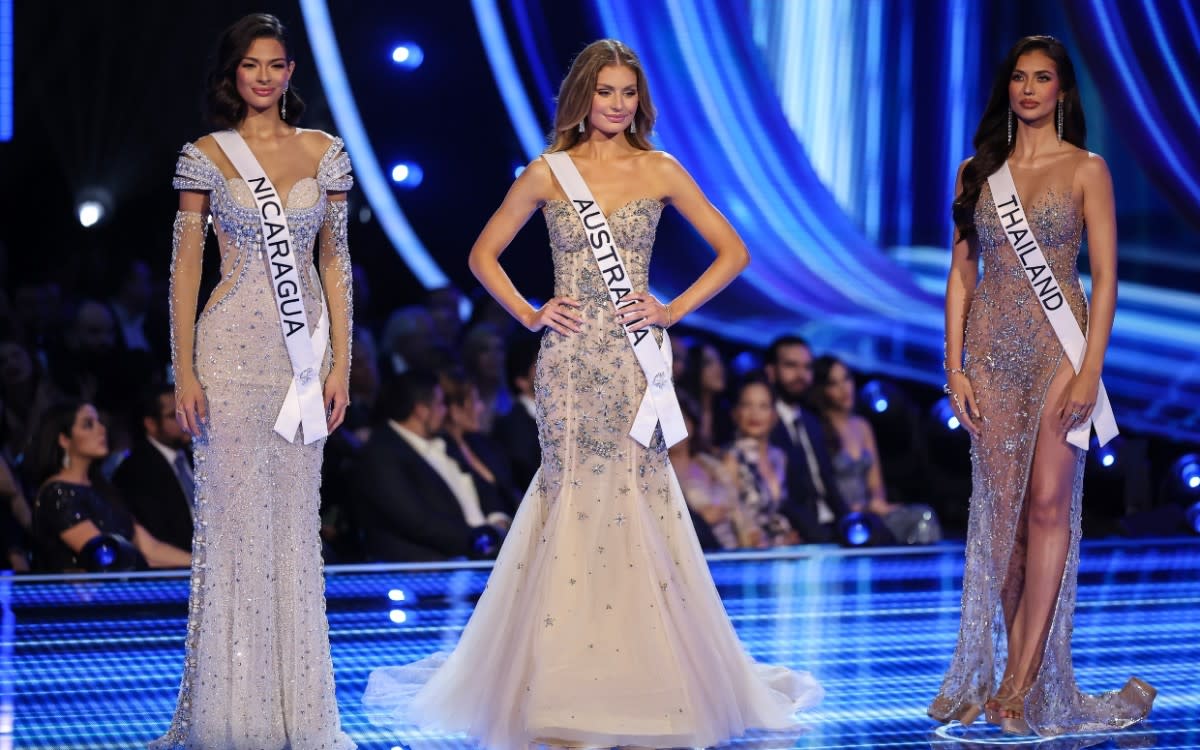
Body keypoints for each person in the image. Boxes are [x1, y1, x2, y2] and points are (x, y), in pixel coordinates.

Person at [363, 38, 821, 750]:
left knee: (639, 500)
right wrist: (529, 311)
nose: (616, 104)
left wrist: (671, 309)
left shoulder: (660, 168)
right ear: (582, 95)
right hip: (572, 363)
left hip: (636, 359)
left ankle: (644, 671)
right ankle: (563, 678)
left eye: (627, 93)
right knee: (571, 497)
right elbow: (482, 255)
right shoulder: (549, 172)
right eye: (605, 91)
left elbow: (733, 252)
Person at [928, 36, 1154, 736]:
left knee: (1050, 506)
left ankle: (1020, 683)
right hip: (990, 353)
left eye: (1043, 78)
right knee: (1004, 522)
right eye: (1020, 78)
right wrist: (953, 365)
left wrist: (1092, 369)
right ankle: (1017, 674)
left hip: (1061, 351)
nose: (1030, 89)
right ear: (1009, 89)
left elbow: (1108, 277)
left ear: (1062, 91)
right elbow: (962, 274)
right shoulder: (978, 172)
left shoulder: (1087, 169)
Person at [152, 13, 355, 749]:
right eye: (250, 66)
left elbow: (335, 264)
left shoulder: (325, 154)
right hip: (229, 355)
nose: (263, 78)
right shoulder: (206, 156)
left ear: (292, 71)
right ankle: (230, 714)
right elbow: (185, 269)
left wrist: (342, 364)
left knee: (295, 528)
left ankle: (296, 712)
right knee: (233, 530)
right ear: (231, 75)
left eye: (275, 65)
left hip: (302, 362)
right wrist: (185, 371)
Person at [352, 371, 509, 562]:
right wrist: (481, 539)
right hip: (434, 565)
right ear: (421, 410)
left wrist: (497, 519)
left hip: (485, 551)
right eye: (440, 404)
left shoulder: (445, 441)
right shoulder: (381, 454)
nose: (445, 412)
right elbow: (415, 521)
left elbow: (481, 486)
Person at [29, 401, 191, 573]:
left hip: (124, 589)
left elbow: (151, 548)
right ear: (64, 439)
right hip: (82, 597)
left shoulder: (103, 488)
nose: (101, 430)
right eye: (88, 425)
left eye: (99, 422)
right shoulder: (58, 493)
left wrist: (205, 565)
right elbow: (107, 557)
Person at [809, 355, 942, 545]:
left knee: (923, 515)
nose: (843, 389)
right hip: (842, 516)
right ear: (822, 390)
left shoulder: (862, 426)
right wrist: (852, 509)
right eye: (833, 383)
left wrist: (877, 504)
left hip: (870, 512)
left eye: (846, 379)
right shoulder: (817, 428)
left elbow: (876, 485)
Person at [763, 335, 853, 542]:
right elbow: (781, 496)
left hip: (834, 523)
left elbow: (828, 483)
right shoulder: (765, 423)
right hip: (801, 530)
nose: (800, 375)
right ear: (771, 371)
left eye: (806, 367)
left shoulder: (812, 422)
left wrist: (850, 520)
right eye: (791, 366)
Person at [112, 386, 195, 553]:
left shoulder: (196, 456)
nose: (185, 420)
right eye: (174, 415)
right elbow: (155, 534)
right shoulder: (135, 471)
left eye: (186, 411)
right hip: (176, 567)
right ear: (151, 424)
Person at [440, 369, 521, 516]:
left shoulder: (483, 444)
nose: (481, 407)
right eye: (474, 401)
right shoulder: (443, 453)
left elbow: (511, 490)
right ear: (455, 411)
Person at [668, 391, 742, 550]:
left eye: (680, 419)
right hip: (694, 552)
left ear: (692, 423)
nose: (673, 428)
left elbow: (738, 510)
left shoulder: (711, 465)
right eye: (666, 422)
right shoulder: (659, 475)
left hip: (734, 549)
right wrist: (701, 521)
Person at [678, 336, 734, 450]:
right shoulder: (682, 409)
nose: (719, 368)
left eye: (719, 361)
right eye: (708, 363)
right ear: (695, 367)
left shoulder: (725, 414)